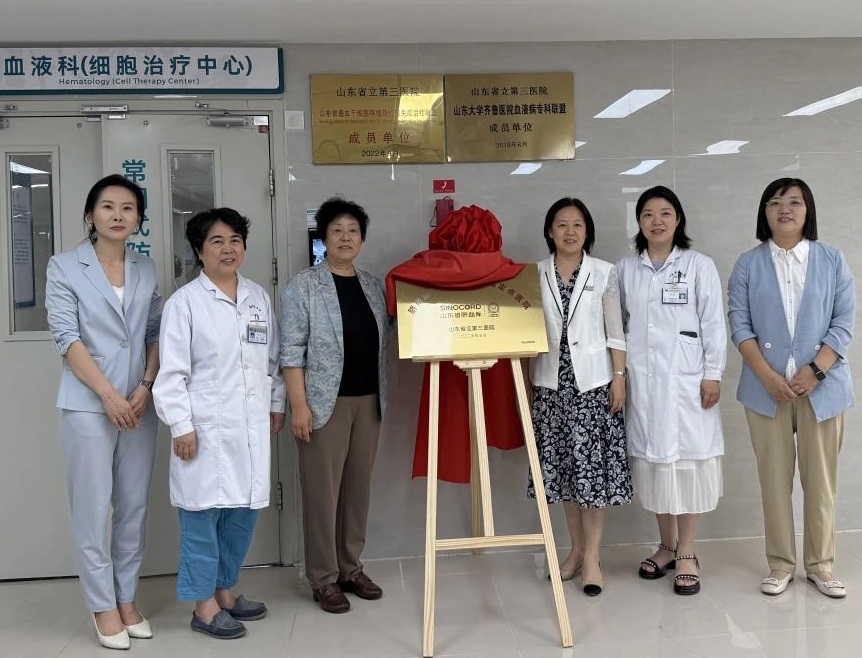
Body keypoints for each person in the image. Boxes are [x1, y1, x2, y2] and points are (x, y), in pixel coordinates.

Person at [153, 208, 285, 639]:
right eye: (216, 241)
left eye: (235, 240)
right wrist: (181, 425)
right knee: (201, 516)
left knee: (241, 513)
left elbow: (271, 360)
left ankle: (225, 590)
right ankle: (203, 606)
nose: (228, 249)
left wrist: (276, 403)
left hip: (249, 427)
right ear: (199, 250)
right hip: (204, 429)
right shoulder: (184, 304)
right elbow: (172, 373)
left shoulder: (257, 297)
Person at [46, 174, 161, 650]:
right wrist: (109, 396)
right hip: (90, 405)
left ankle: (126, 597)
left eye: (128, 208)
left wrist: (146, 385)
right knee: (93, 509)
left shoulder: (146, 267)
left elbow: (155, 333)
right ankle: (102, 604)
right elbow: (66, 338)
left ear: (138, 219)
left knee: (133, 506)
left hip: (138, 405)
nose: (118, 215)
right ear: (91, 215)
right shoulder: (64, 266)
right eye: (108, 206)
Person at [727, 178, 855, 599]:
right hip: (766, 391)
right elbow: (739, 324)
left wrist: (814, 371)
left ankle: (821, 565)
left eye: (795, 202)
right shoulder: (748, 264)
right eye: (775, 202)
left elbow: (844, 322)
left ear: (808, 210)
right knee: (774, 481)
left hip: (823, 390)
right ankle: (780, 564)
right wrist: (767, 376)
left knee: (821, 483)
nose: (785, 209)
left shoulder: (832, 259)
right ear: (764, 212)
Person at [280, 197, 389, 614]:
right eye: (337, 230)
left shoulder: (372, 285)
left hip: (369, 402)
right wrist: (299, 405)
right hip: (323, 404)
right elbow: (291, 351)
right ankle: (323, 578)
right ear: (323, 238)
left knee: (357, 491)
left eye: (353, 231)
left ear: (362, 239)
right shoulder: (304, 286)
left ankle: (350, 568)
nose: (345, 237)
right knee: (322, 494)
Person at [617, 186, 726, 596]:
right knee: (657, 463)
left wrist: (712, 373)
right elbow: (618, 327)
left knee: (687, 464)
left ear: (678, 219)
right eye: (648, 214)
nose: (657, 221)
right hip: (644, 383)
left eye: (665, 213)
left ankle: (688, 551)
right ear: (639, 222)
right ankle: (665, 546)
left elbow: (713, 323)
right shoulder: (626, 269)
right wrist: (619, 374)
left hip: (689, 383)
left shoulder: (698, 265)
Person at [528, 197, 631, 596]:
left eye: (577, 225)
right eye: (562, 224)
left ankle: (592, 558)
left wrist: (619, 377)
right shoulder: (534, 273)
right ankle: (573, 550)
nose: (569, 231)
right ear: (549, 231)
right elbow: (527, 330)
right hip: (551, 386)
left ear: (587, 231)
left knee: (592, 476)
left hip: (593, 387)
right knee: (565, 474)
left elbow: (615, 331)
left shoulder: (604, 272)